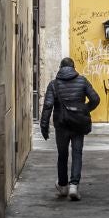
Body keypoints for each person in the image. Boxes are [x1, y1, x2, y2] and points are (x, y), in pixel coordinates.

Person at [40, 56, 100, 200]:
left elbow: (48, 106)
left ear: (60, 68)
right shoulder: (82, 80)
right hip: (78, 123)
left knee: (62, 154)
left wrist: (44, 126)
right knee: (77, 153)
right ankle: (74, 185)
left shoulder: (53, 85)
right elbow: (95, 99)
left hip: (61, 124)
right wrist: (84, 109)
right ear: (73, 68)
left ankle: (63, 185)